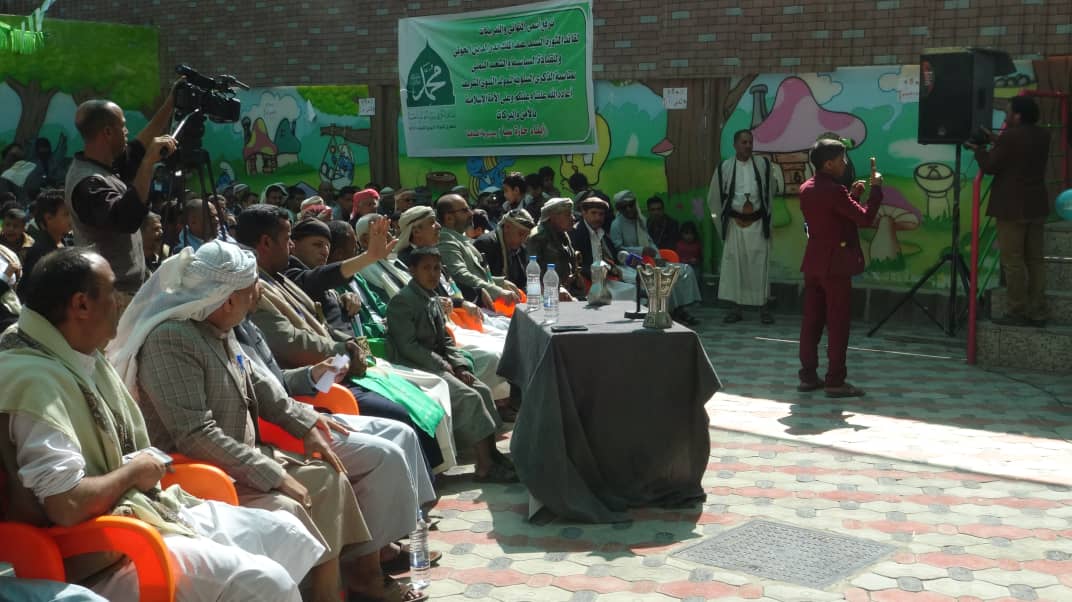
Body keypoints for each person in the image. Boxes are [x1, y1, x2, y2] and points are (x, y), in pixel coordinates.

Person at [1, 248, 327, 600]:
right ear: (81, 305)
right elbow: (66, 505)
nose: (121, 301)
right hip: (100, 555)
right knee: (264, 580)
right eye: (112, 291)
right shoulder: (33, 381)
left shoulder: (78, 356)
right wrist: (133, 472)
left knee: (286, 532)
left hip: (141, 513)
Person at [108, 241, 416, 602]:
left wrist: (307, 425)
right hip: (202, 472)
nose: (259, 292)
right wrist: (274, 475)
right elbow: (194, 434)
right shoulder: (171, 340)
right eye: (251, 287)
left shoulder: (217, 330)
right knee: (294, 504)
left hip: (240, 460)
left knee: (330, 477)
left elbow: (263, 389)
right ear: (226, 300)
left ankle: (337, 588)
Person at [236, 206, 449, 472]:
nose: (290, 245)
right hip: (315, 383)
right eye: (288, 238)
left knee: (420, 398)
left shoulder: (278, 278)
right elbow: (289, 341)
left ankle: (430, 478)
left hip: (341, 365)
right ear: (266, 242)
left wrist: (354, 347)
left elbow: (324, 325)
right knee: (399, 415)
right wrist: (344, 349)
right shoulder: (253, 288)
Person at [386, 246, 515, 483]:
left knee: (482, 390)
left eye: (436, 268)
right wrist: (442, 364)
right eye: (426, 268)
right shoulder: (403, 301)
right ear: (412, 270)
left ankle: (492, 454)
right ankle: (484, 466)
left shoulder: (431, 297)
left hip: (438, 364)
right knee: (469, 397)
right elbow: (407, 346)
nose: (433, 274)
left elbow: (445, 339)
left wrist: (460, 366)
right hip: (416, 367)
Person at [64, 95, 177, 310]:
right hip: (112, 298)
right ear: (108, 132)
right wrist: (147, 164)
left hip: (128, 292)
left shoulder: (106, 166)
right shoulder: (87, 183)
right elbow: (127, 219)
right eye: (123, 126)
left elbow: (139, 147)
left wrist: (171, 101)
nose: (127, 131)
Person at [797, 138, 883, 398]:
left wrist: (853, 196)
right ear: (828, 164)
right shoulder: (835, 191)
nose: (845, 164)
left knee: (811, 322)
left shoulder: (806, 188)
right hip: (835, 266)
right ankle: (835, 380)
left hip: (813, 262)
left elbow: (832, 218)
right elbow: (864, 219)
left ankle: (808, 376)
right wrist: (876, 190)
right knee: (837, 324)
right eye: (841, 159)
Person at [967, 96, 1051, 327]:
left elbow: (991, 166)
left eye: (1008, 112)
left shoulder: (1011, 137)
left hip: (1012, 207)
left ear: (1018, 116)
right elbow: (1020, 152)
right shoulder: (1043, 135)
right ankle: (1038, 311)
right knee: (1035, 260)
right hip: (1036, 205)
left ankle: (1017, 310)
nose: (1005, 116)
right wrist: (997, 140)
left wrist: (978, 150)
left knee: (1013, 261)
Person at [707, 129, 776, 324]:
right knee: (734, 267)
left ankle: (763, 309)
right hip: (734, 225)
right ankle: (735, 309)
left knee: (759, 266)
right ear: (735, 145)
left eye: (750, 142)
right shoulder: (725, 167)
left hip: (758, 223)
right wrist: (721, 223)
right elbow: (714, 197)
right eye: (744, 142)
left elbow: (770, 192)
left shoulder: (763, 165)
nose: (748, 146)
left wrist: (767, 218)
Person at [611, 190, 703, 325]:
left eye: (631, 205)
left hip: (651, 261)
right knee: (661, 277)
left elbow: (650, 242)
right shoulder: (616, 225)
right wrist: (641, 250)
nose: (629, 209)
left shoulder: (641, 221)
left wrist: (657, 257)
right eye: (624, 207)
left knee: (684, 270)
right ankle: (672, 312)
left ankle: (680, 308)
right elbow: (618, 249)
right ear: (619, 209)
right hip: (631, 265)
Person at [436, 193, 522, 308]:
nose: (471, 213)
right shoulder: (446, 240)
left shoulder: (459, 238)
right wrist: (498, 291)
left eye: (469, 209)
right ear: (449, 218)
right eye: (465, 210)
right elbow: (460, 275)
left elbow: (477, 274)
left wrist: (500, 282)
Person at [569, 195, 636, 301]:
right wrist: (603, 272)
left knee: (635, 283)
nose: (597, 218)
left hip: (607, 276)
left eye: (601, 214)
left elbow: (613, 255)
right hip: (589, 281)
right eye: (593, 213)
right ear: (584, 213)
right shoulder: (575, 233)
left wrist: (620, 260)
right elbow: (576, 265)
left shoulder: (602, 232)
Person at [527, 197, 584, 299]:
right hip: (548, 295)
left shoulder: (562, 233)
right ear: (553, 217)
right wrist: (556, 289)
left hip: (568, 291)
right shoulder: (537, 237)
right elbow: (533, 273)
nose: (573, 218)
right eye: (568, 215)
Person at [18, 189, 71, 296]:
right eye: (66, 214)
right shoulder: (40, 252)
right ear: (48, 218)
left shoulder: (65, 242)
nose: (71, 218)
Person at [475, 207, 535, 290]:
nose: (523, 240)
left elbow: (522, 282)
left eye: (526, 236)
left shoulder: (521, 249)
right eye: (521, 234)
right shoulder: (485, 244)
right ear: (507, 227)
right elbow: (477, 279)